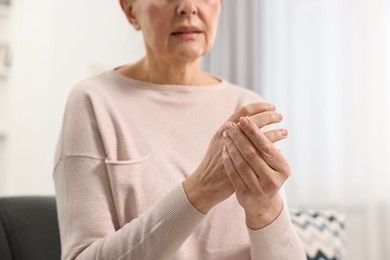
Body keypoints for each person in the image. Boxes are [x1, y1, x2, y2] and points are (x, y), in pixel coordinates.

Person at [53, 0, 306, 259]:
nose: (188, 6)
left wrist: (266, 210)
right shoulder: (94, 101)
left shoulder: (246, 107)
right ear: (130, 10)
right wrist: (200, 190)